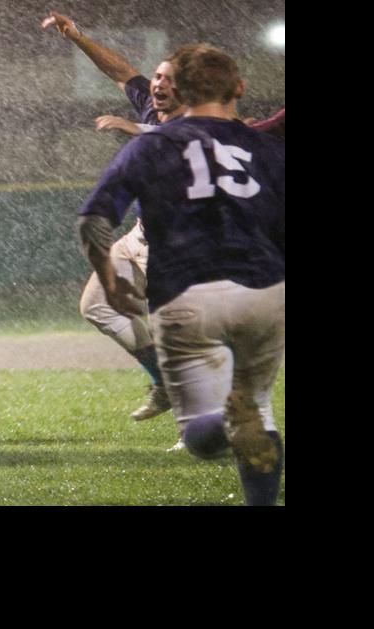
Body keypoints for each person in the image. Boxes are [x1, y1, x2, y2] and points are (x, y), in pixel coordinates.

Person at [77, 43, 286, 506]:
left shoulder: (153, 142)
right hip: (266, 289)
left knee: (200, 435)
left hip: (186, 287)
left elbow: (92, 219)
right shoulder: (266, 145)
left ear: (180, 90)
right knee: (261, 411)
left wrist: (111, 281)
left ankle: (222, 421)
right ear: (240, 88)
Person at [41, 10, 179, 424]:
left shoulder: (205, 123)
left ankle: (205, 426)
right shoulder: (153, 111)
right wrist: (78, 37)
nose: (157, 84)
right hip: (140, 236)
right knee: (97, 306)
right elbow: (120, 71)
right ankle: (164, 383)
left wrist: (138, 131)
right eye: (157, 77)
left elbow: (192, 136)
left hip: (182, 248)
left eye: (169, 79)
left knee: (185, 340)